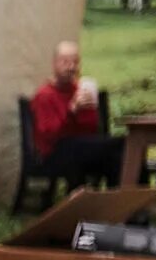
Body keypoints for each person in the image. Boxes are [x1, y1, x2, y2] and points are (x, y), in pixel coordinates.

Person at [28, 40, 122, 183]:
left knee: (128, 150)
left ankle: (130, 198)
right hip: (54, 153)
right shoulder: (44, 95)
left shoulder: (80, 90)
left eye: (75, 62)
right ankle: (120, 200)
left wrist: (89, 109)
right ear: (54, 64)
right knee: (117, 147)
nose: (71, 67)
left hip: (80, 148)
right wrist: (72, 110)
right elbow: (49, 136)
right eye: (65, 62)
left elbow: (91, 130)